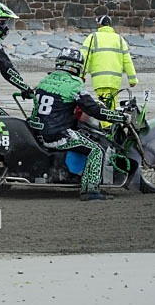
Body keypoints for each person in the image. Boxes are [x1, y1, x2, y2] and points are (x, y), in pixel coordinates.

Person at [29, 48, 126, 201]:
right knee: (96, 150)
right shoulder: (74, 84)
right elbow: (94, 110)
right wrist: (118, 117)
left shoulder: (45, 80)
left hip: (37, 133)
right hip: (57, 135)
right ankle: (91, 190)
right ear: (77, 66)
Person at [81, 15, 137, 110]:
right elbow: (127, 60)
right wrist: (132, 79)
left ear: (99, 25)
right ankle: (111, 124)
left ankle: (107, 125)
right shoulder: (119, 39)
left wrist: (81, 75)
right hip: (115, 81)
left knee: (104, 109)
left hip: (100, 80)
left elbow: (84, 58)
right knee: (112, 107)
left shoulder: (92, 37)